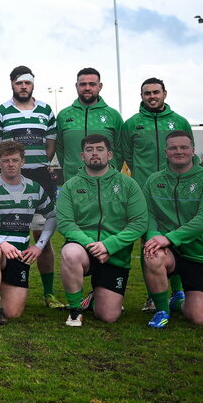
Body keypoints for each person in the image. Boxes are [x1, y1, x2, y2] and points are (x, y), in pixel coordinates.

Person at [0, 66, 62, 308]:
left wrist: (36, 166)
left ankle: (48, 294)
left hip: (39, 177)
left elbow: (50, 146)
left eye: (27, 83)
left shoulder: (46, 110)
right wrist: (7, 174)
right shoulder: (0, 112)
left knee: (43, 238)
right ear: (12, 83)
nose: (23, 86)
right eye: (19, 83)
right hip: (10, 180)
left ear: (33, 84)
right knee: (3, 235)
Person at [57, 134, 147, 326]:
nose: (95, 154)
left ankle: (94, 298)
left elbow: (139, 223)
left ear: (110, 154)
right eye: (89, 150)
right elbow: (65, 223)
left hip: (115, 254)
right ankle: (75, 310)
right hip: (84, 250)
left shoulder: (128, 184)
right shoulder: (71, 186)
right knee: (69, 252)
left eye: (99, 149)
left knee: (108, 316)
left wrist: (108, 245)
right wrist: (92, 246)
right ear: (82, 156)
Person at [123, 77, 194, 311]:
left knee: (178, 240)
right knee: (149, 244)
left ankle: (179, 292)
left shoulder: (180, 121)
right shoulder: (132, 123)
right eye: (147, 93)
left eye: (156, 92)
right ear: (141, 96)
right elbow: (128, 156)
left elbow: (188, 154)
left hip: (176, 193)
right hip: (146, 195)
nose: (152, 96)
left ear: (165, 93)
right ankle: (153, 295)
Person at [142, 130, 203, 329]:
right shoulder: (154, 181)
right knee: (152, 252)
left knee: (199, 318)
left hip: (201, 254)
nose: (178, 151)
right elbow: (148, 215)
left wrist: (169, 238)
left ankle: (177, 302)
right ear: (166, 151)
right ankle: (162, 311)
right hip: (171, 251)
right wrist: (154, 237)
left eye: (183, 147)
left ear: (193, 150)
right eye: (173, 148)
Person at [0, 141, 56, 325]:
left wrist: (39, 246)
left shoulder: (35, 188)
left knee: (14, 313)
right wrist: (2, 243)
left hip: (19, 254)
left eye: (15, 160)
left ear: (22, 162)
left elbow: (52, 216)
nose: (10, 164)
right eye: (6, 160)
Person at [55, 67, 124, 181]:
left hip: (107, 181)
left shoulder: (113, 115)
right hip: (74, 180)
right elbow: (60, 149)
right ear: (76, 86)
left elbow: (120, 149)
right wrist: (69, 170)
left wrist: (112, 170)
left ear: (100, 86)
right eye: (83, 84)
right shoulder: (64, 115)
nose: (87, 88)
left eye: (92, 84)